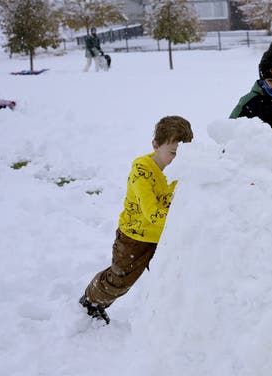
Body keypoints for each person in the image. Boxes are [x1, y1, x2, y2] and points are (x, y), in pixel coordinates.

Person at [79, 116, 194, 324]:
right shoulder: (142, 172)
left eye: (183, 155)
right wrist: (185, 220)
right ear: (155, 146)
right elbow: (151, 213)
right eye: (173, 153)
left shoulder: (182, 170)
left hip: (165, 236)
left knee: (173, 277)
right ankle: (91, 301)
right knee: (121, 279)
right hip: (135, 236)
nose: (177, 160)